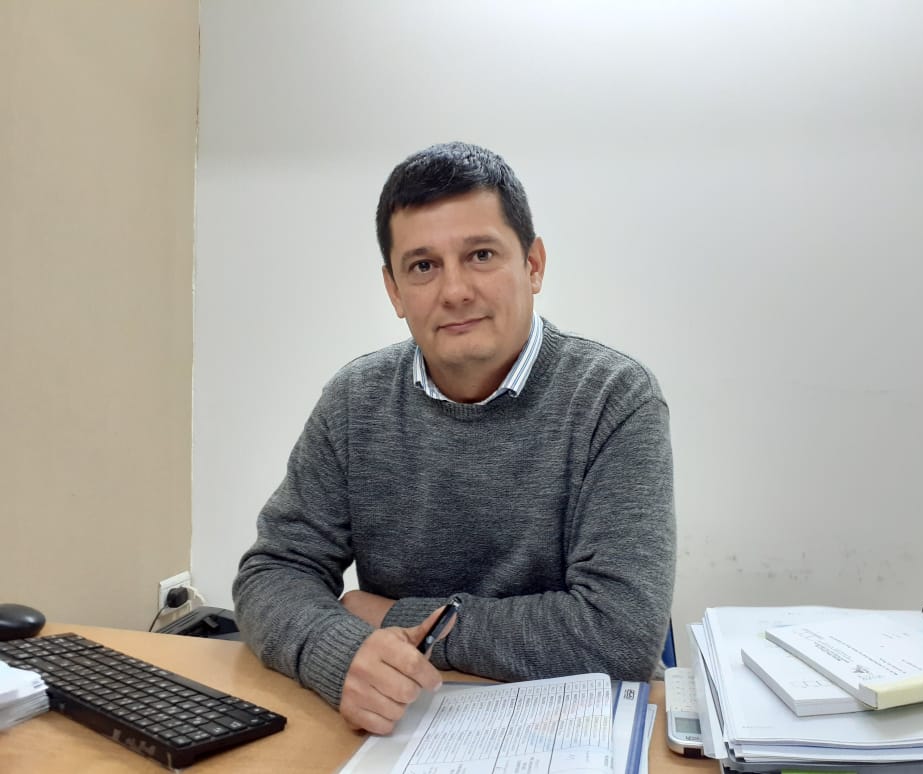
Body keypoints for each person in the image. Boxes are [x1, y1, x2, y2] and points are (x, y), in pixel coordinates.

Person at [233, 141, 676, 734]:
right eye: (423, 266)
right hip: (402, 726)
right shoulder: (355, 401)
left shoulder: (614, 398)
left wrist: (397, 618)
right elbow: (273, 571)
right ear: (394, 290)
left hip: (575, 731)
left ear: (534, 265)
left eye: (481, 255)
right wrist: (336, 650)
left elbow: (620, 634)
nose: (455, 291)